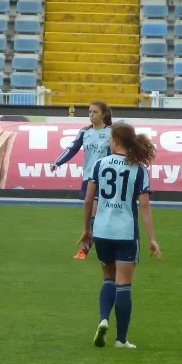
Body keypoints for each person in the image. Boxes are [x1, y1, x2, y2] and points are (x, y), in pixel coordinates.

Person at [78, 123, 162, 349]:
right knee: (123, 284)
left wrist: (86, 230)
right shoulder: (139, 169)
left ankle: (103, 319)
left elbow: (88, 201)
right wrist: (152, 238)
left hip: (101, 231)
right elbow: (144, 206)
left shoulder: (100, 164)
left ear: (115, 141)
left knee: (108, 278)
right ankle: (121, 339)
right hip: (125, 232)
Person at [51, 101, 112, 260]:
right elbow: (72, 148)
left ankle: (86, 249)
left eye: (95, 112)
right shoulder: (85, 132)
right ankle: (101, 244)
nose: (91, 115)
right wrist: (57, 162)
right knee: (93, 214)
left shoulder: (111, 132)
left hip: (105, 179)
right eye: (90, 112)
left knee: (95, 213)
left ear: (104, 114)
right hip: (88, 178)